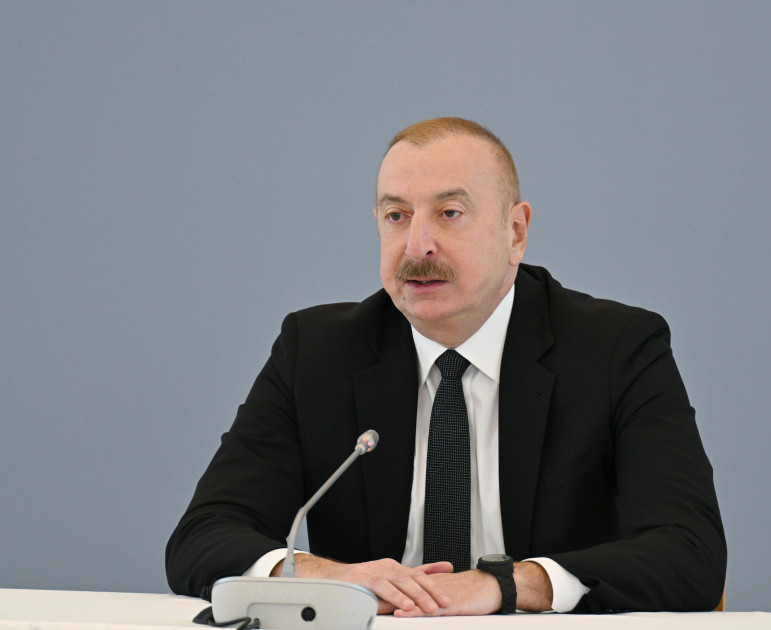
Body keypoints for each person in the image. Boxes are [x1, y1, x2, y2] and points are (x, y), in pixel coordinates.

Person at [166, 117, 726, 616]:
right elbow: (203, 535)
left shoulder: (616, 349)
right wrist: (323, 576)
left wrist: (506, 586)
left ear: (515, 233)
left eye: (449, 213)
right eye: (396, 215)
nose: (418, 246)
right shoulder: (317, 352)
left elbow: (690, 552)